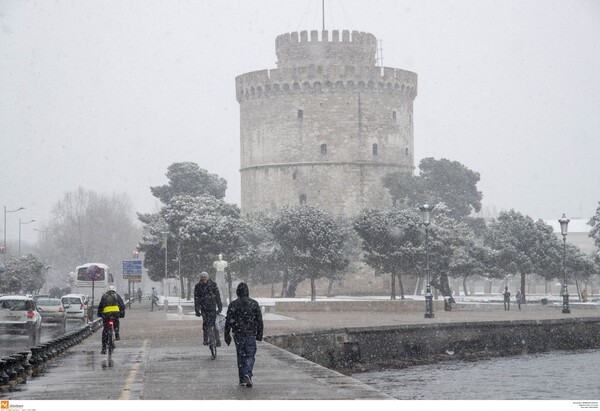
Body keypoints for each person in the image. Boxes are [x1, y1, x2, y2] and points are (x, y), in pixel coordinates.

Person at [224, 282, 263, 388]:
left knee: (240, 355)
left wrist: (226, 334)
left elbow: (229, 321)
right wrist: (260, 333)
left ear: (237, 292)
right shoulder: (254, 303)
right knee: (250, 355)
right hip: (250, 333)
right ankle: (247, 373)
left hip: (238, 333)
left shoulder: (233, 304)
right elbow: (259, 320)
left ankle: (242, 379)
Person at [194, 272, 223, 347]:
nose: (204, 279)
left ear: (208, 278)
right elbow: (196, 299)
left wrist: (219, 307)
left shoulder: (213, 284)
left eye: (205, 277)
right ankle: (205, 339)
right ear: (200, 278)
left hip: (212, 307)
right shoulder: (197, 286)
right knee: (205, 324)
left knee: (214, 323)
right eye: (202, 277)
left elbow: (217, 296)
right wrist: (197, 310)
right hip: (204, 308)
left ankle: (217, 339)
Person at [97, 285, 125, 354]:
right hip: (115, 314)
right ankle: (117, 334)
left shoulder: (104, 296)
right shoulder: (117, 296)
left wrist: (99, 314)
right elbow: (122, 306)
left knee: (105, 330)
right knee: (116, 322)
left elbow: (100, 306)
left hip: (106, 315)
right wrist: (122, 314)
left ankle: (103, 348)